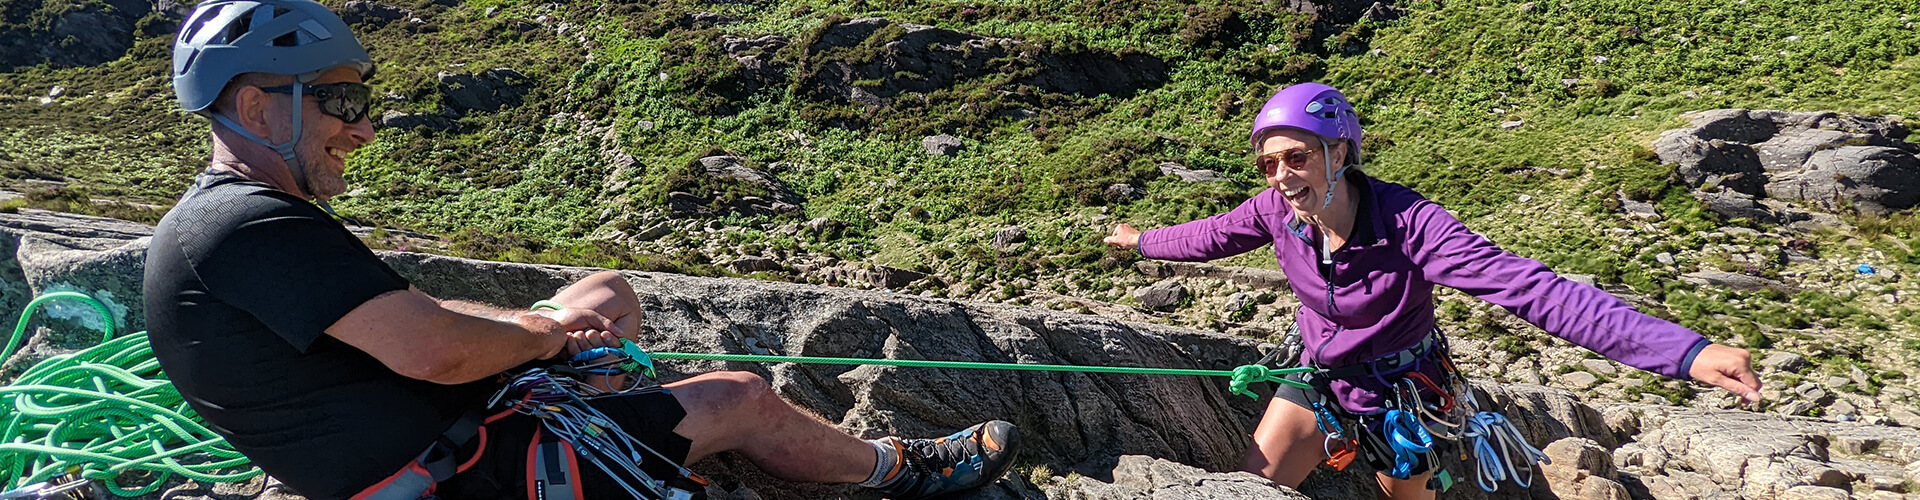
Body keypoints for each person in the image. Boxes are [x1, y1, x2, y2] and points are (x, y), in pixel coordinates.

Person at [143, 1, 1019, 499]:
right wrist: (538, 335)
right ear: (259, 109)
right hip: (456, 473)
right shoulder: (247, 226)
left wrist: (553, 324)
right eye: (339, 102)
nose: (363, 128)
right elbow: (438, 350)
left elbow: (404, 328)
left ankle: (625, 403)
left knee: (605, 291)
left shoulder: (236, 219)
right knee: (740, 397)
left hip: (443, 434)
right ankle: (901, 474)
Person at [1102, 82, 1761, 499]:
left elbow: (1534, 291)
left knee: (1406, 496)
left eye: (1297, 157)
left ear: (1340, 155)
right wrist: (1142, 241)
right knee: (1253, 487)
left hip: (1402, 390)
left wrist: (1685, 352)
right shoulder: (1274, 212)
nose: (1279, 175)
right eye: (1268, 162)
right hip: (1320, 374)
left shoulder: (1411, 224)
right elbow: (1208, 236)